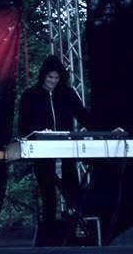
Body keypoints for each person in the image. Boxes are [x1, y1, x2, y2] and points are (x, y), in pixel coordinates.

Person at [18, 55, 92, 244]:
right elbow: (23, 127)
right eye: (50, 77)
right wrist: (38, 133)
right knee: (48, 192)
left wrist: (104, 129)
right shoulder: (30, 95)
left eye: (56, 78)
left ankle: (74, 231)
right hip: (41, 149)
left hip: (66, 148)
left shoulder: (68, 94)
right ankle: (49, 234)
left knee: (72, 188)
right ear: (43, 76)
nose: (53, 81)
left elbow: (84, 116)